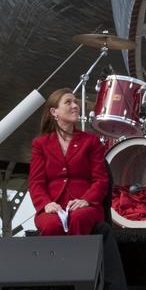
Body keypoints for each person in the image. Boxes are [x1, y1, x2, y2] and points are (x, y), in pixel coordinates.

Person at [28, 89, 108, 236]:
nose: (75, 106)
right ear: (54, 112)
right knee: (51, 225)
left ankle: (81, 259)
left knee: (79, 218)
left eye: (76, 102)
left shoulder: (91, 141)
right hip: (53, 206)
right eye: (68, 102)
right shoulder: (40, 144)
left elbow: (101, 180)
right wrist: (46, 204)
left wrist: (87, 200)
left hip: (85, 206)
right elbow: (35, 182)